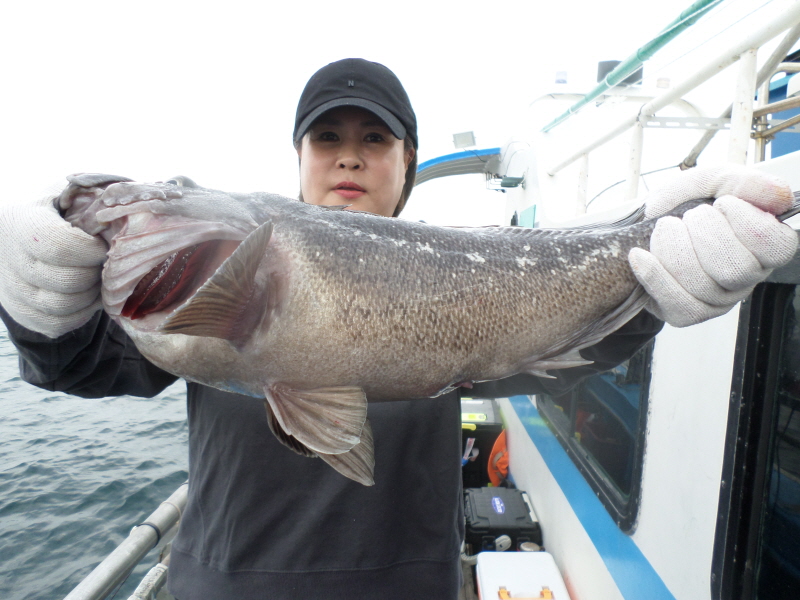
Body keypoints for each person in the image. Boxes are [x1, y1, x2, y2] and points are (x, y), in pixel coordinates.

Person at [0, 58, 795, 600]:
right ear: (300, 160)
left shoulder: (466, 265)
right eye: (328, 139)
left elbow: (546, 360)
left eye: (374, 141)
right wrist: (44, 311)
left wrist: (656, 288)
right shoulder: (195, 287)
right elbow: (86, 365)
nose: (349, 159)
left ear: (408, 162)